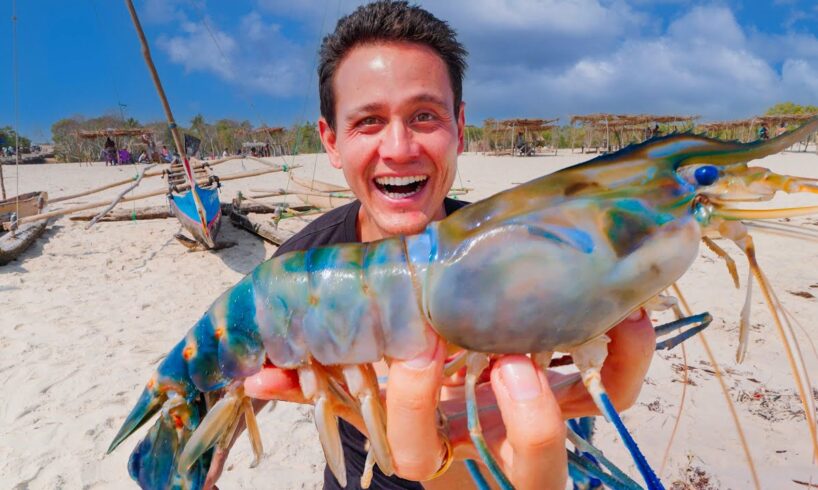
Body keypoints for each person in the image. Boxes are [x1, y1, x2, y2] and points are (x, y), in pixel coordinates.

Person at [205, 2, 655, 489]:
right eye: (368, 121)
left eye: (424, 116)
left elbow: (564, 398)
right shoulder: (296, 268)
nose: (399, 149)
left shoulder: (520, 258)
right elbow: (240, 377)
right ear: (330, 140)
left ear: (459, 127)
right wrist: (210, 449)